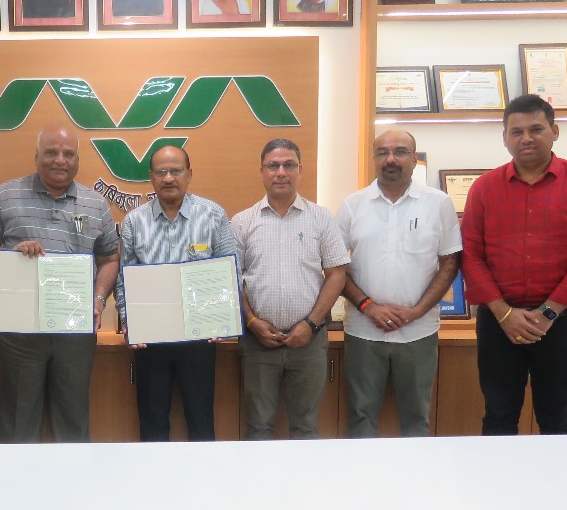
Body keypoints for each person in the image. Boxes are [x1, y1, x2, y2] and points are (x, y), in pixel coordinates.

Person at [461, 93, 567, 435]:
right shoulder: (484, 188)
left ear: (555, 131)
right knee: (498, 416)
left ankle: (559, 475)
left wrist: (548, 313)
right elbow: (470, 254)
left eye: (536, 129)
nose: (526, 138)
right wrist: (504, 314)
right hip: (498, 322)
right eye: (516, 132)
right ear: (505, 137)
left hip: (560, 322)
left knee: (558, 419)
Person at [0, 125, 119, 443]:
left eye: (68, 154)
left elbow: (110, 259)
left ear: (78, 159)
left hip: (75, 331)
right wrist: (11, 255)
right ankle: (18, 477)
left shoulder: (95, 204)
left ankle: (73, 476)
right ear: (36, 155)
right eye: (51, 152)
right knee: (18, 422)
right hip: (20, 332)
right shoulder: (6, 195)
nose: (60, 160)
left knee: (73, 423)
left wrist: (98, 299)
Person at [336, 129, 462, 438]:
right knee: (360, 418)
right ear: (374, 158)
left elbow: (450, 263)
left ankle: (415, 472)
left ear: (415, 159)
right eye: (382, 152)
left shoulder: (438, 203)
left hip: (419, 332)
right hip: (364, 332)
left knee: (417, 420)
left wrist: (416, 311)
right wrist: (368, 307)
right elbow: (336, 267)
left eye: (400, 151)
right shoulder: (353, 205)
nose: (390, 159)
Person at [116, 146, 236, 441]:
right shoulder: (134, 221)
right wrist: (129, 321)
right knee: (152, 423)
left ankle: (202, 472)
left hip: (200, 336)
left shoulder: (213, 215)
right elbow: (123, 279)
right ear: (151, 177)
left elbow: (230, 271)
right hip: (150, 338)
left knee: (201, 421)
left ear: (189, 174)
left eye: (176, 171)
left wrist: (224, 319)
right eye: (161, 172)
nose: (168, 178)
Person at [232, 139, 349, 440]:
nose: (281, 172)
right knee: (258, 426)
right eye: (273, 165)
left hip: (309, 342)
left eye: (289, 165)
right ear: (262, 171)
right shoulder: (242, 222)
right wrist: (252, 321)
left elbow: (337, 275)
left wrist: (310, 324)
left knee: (306, 427)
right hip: (258, 343)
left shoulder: (322, 218)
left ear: (300, 170)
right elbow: (231, 279)